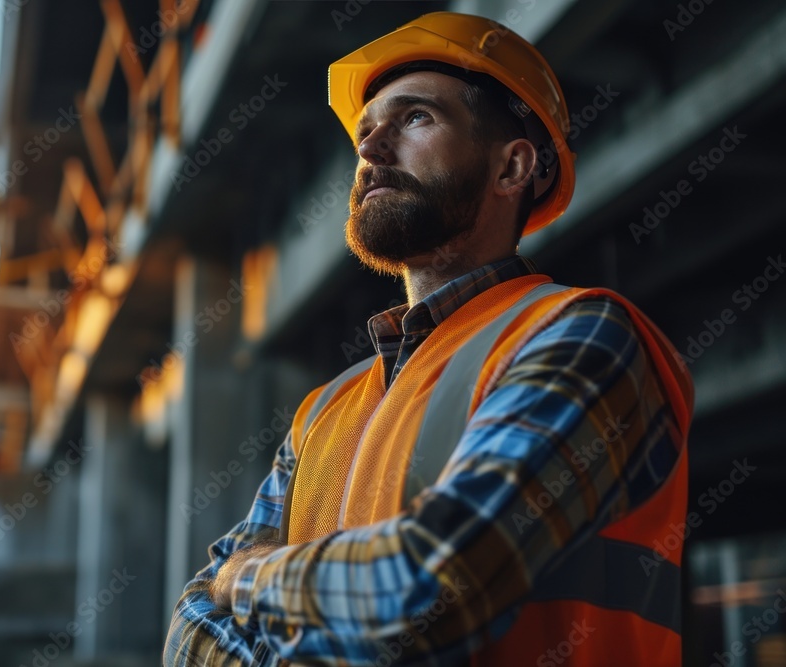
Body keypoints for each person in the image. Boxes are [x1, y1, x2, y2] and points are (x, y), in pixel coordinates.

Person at [164, 12, 693, 666]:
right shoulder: (324, 411)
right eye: (366, 129)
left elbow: (434, 591)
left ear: (512, 166)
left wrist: (246, 577)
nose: (370, 147)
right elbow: (190, 631)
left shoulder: (586, 337)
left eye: (415, 119)